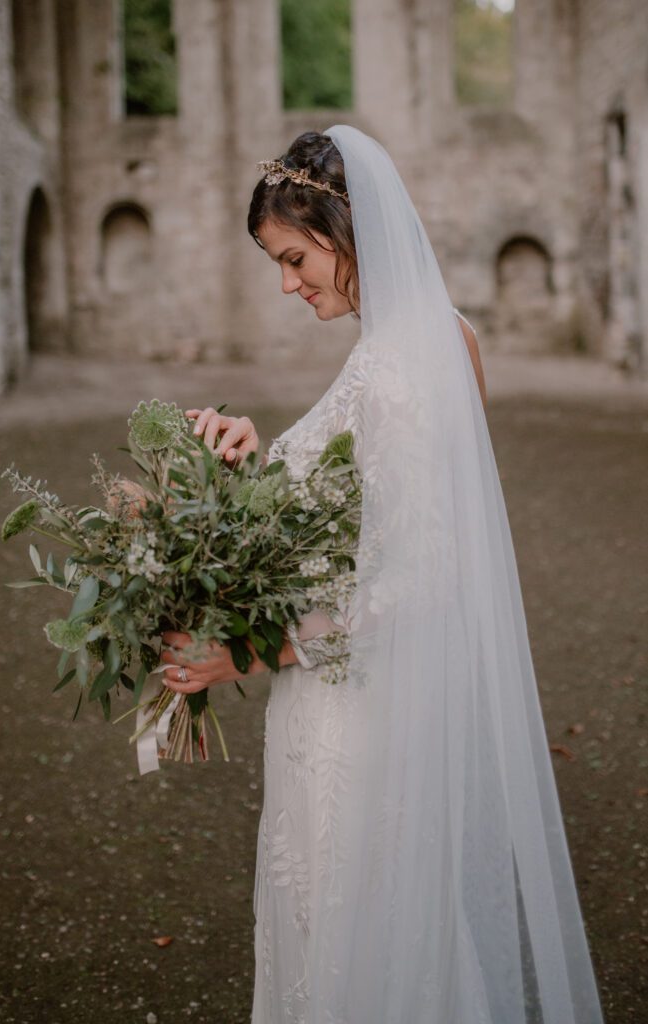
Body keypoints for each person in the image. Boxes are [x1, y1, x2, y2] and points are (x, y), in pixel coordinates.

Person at [160, 126, 605, 1023]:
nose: (287, 284)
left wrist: (237, 655)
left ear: (343, 229)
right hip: (381, 701)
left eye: (294, 258)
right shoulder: (439, 337)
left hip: (354, 714)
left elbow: (413, 584)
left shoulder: (398, 367)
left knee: (349, 949)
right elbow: (364, 517)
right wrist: (251, 470)